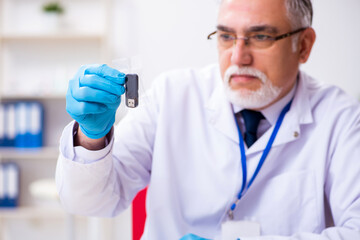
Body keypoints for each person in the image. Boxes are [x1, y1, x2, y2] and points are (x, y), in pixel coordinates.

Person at [56, 0, 360, 239]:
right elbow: (91, 203)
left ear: (303, 45)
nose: (238, 56)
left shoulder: (341, 118)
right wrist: (91, 137)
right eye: (226, 36)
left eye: (261, 36)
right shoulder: (172, 95)